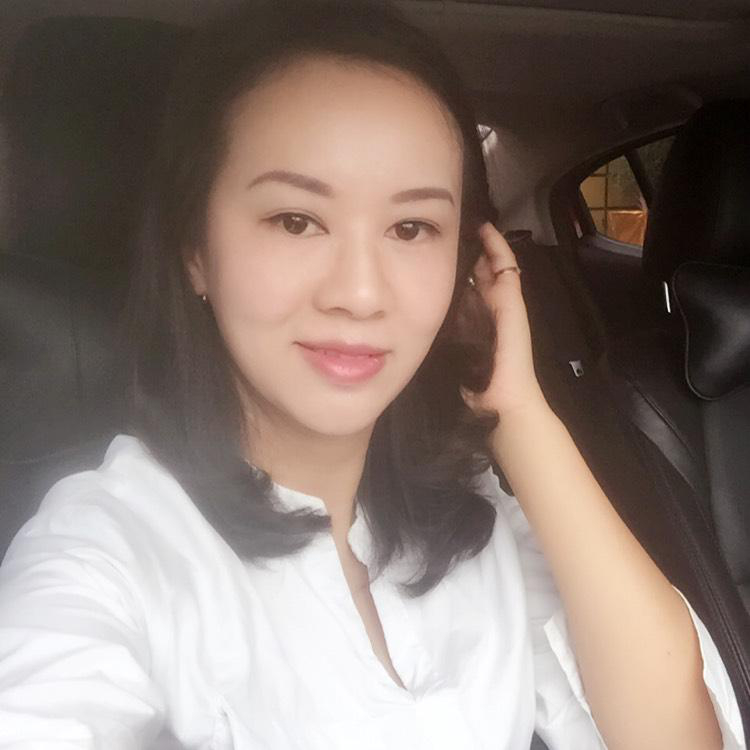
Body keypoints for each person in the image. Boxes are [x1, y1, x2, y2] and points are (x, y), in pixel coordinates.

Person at [0, 1, 745, 748]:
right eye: (296, 220)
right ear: (197, 250)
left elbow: (676, 737)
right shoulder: (109, 554)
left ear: (466, 268)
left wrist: (520, 415)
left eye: (411, 228)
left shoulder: (470, 518)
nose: (360, 293)